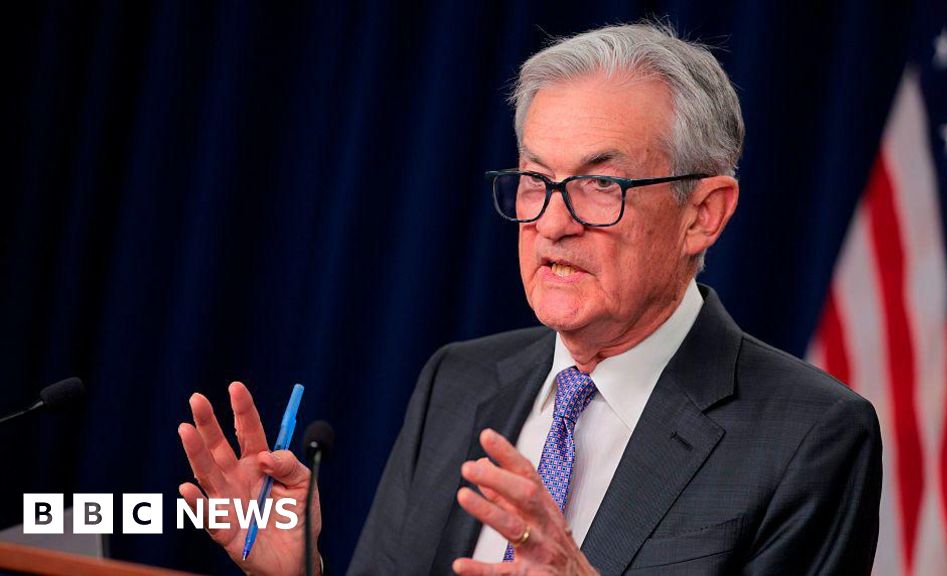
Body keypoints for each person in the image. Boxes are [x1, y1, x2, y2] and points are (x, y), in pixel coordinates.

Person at [179, 21, 882, 576]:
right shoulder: (457, 380)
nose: (551, 222)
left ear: (703, 213)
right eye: (535, 180)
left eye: (600, 184)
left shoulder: (809, 437)